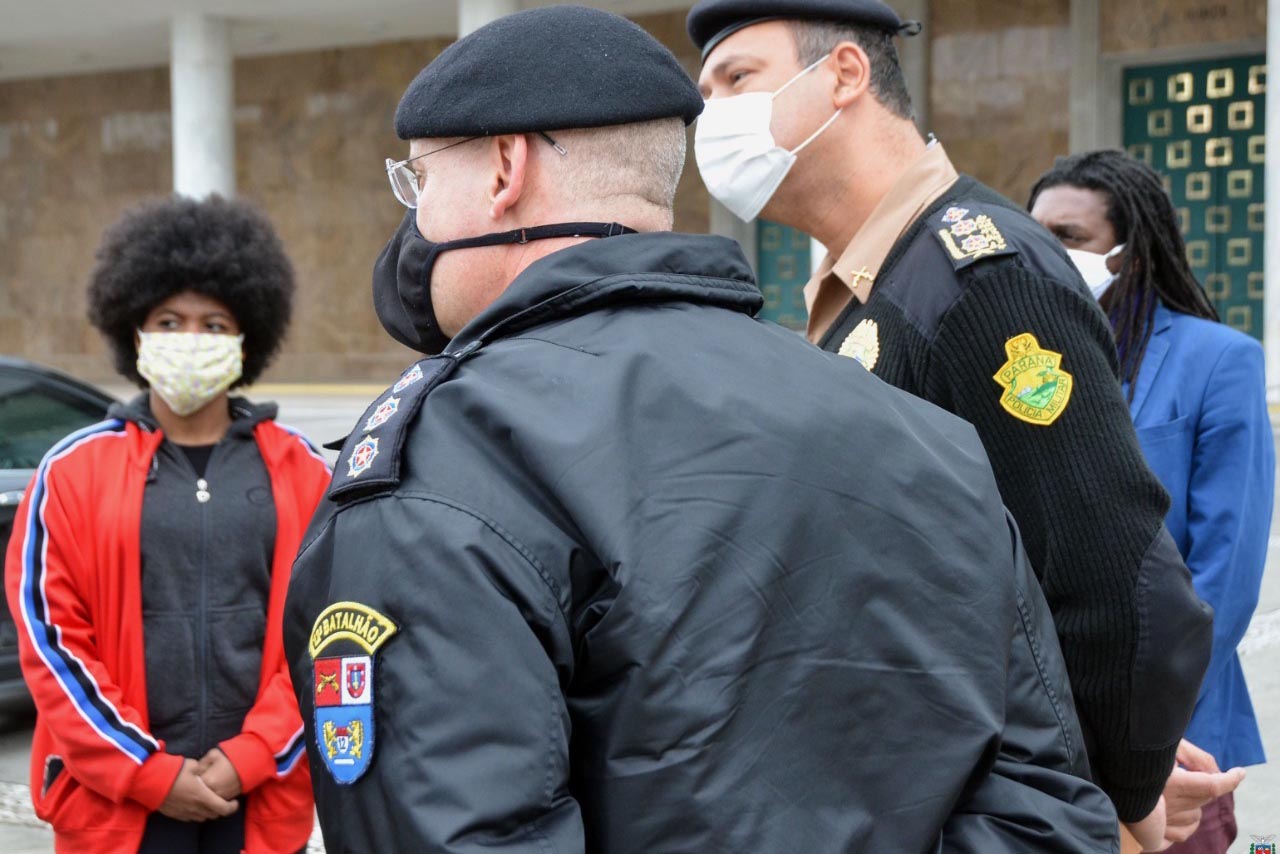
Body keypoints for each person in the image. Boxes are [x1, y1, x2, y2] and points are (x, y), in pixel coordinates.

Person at [284, 6, 1120, 852]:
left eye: (422, 182)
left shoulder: (448, 456)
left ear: (506, 168)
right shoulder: (919, 434)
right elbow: (1045, 801)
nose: (416, 223)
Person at [686, 1, 1213, 845]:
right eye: (705, 92)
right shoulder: (874, 281)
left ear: (845, 75)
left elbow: (1118, 582)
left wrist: (1116, 790)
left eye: (737, 78)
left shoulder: (976, 278)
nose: (712, 116)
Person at [4, 196, 331, 853]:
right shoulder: (70, 471)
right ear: (135, 331)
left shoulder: (302, 471)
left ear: (247, 339)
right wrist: (148, 773)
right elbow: (52, 642)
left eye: (214, 324)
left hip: (259, 808)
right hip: (116, 813)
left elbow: (326, 637)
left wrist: (254, 754)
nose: (190, 339)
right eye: (169, 320)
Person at [1030, 149, 1271, 854]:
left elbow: (1227, 573)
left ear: (1129, 251)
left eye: (1069, 238)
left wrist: (1145, 726)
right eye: (1037, 234)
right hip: (1045, 732)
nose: (1048, 253)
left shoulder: (1219, 359)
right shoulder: (1025, 359)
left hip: (1171, 738)